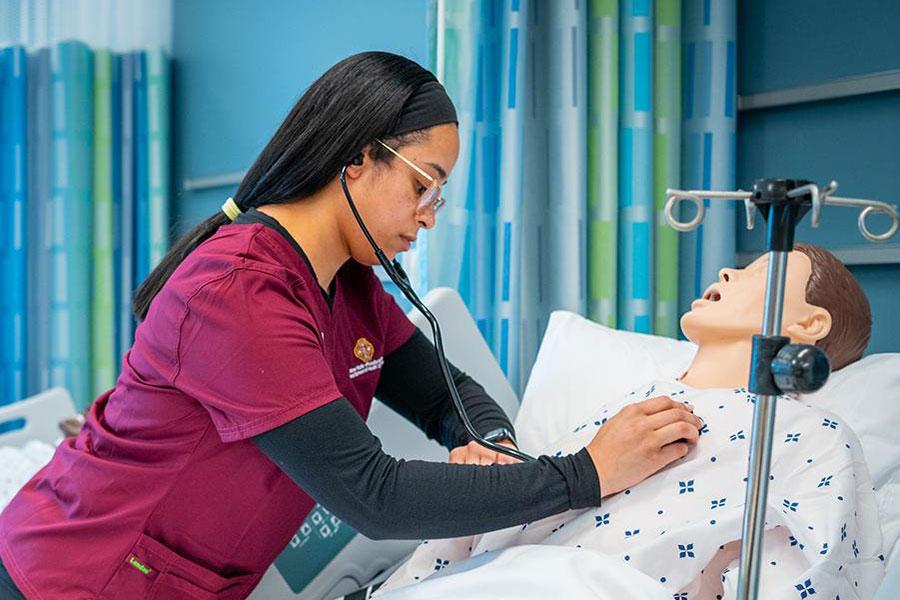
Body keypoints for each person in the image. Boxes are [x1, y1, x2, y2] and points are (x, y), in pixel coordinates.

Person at [0, 52, 701, 600]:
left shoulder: (351, 282)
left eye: (441, 194)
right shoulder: (236, 289)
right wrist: (586, 473)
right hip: (73, 576)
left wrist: (491, 442)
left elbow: (441, 394)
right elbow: (375, 495)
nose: (430, 214)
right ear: (358, 157)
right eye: (423, 183)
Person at [380, 244, 885, 599]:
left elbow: (812, 579)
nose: (728, 273)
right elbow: (531, 510)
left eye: (759, 271)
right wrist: (484, 485)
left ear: (808, 324)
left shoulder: (811, 438)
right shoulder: (624, 409)